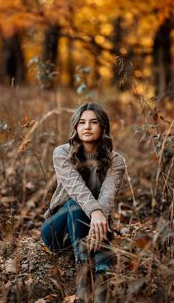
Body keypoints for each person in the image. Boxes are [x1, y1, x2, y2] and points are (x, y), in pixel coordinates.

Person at [41, 102, 126, 303]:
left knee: (97, 216)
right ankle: (84, 277)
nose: (87, 127)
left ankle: (102, 278)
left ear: (103, 127)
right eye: (82, 122)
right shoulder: (62, 153)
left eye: (94, 122)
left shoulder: (117, 161)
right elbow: (77, 189)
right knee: (76, 202)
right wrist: (96, 213)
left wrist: (98, 215)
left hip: (94, 229)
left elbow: (107, 196)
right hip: (58, 232)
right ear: (75, 127)